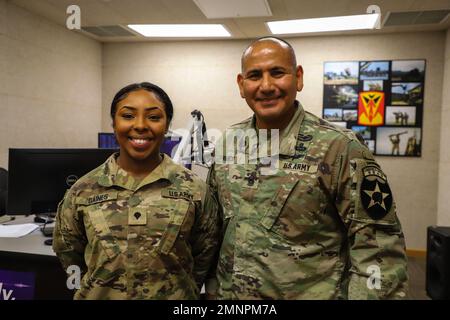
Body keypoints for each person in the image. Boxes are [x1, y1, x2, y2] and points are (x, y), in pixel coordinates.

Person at [206, 37, 408, 299]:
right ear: (241, 85)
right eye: (254, 75)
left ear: (298, 78)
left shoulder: (339, 148)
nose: (266, 86)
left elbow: (378, 247)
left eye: (277, 73)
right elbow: (212, 230)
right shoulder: (229, 143)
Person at [53, 82, 219, 299]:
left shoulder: (195, 189)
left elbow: (204, 256)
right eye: (128, 116)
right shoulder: (83, 191)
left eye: (153, 117)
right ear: (114, 123)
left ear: (167, 124)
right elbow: (69, 254)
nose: (140, 125)